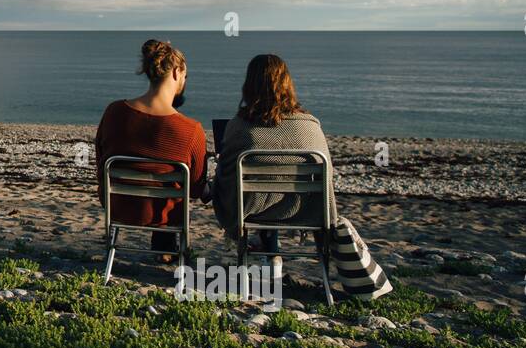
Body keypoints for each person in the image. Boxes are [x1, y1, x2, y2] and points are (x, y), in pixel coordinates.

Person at [213, 54, 391, 300]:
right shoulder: (310, 125)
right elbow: (327, 175)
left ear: (248, 85)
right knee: (278, 193)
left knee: (260, 191)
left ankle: (267, 252)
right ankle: (277, 257)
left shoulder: (240, 126)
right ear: (288, 83)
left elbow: (227, 174)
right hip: (307, 212)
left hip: (255, 211)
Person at [95, 39, 209, 259]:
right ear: (176, 73)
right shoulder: (191, 130)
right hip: (165, 214)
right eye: (185, 76)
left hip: (117, 205)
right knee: (172, 188)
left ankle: (162, 249)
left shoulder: (114, 112)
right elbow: (195, 189)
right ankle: (168, 250)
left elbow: (101, 163)